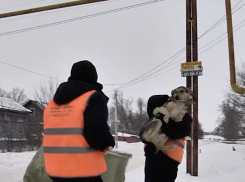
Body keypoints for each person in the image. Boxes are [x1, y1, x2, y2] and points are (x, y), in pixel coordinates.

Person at [43, 60, 115, 182]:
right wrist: (107, 143)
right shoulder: (93, 97)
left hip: (55, 169)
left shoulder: (52, 103)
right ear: (94, 77)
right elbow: (96, 128)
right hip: (83, 169)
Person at [141, 94, 192, 182]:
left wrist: (162, 116)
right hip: (157, 157)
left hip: (167, 158)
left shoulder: (180, 118)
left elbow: (178, 132)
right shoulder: (158, 119)